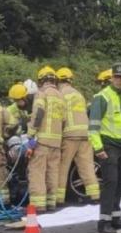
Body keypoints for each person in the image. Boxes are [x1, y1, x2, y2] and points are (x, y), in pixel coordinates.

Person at [89, 62, 121, 233]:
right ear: (111, 78)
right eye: (116, 77)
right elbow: (93, 126)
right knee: (110, 183)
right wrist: (98, 148)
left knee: (119, 182)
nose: (119, 80)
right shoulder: (102, 97)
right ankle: (104, 222)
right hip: (108, 146)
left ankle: (116, 218)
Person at [55, 67, 100, 205]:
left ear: (58, 80)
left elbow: (59, 117)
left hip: (69, 135)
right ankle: (94, 195)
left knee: (62, 167)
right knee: (87, 166)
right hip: (85, 134)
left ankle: (59, 198)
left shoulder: (60, 95)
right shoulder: (78, 94)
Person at [27, 66, 65, 212]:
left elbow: (38, 113)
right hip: (56, 142)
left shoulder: (41, 93)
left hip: (42, 141)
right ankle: (51, 203)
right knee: (52, 172)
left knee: (37, 172)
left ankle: (38, 204)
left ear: (41, 80)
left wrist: (31, 133)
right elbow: (63, 120)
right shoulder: (60, 96)